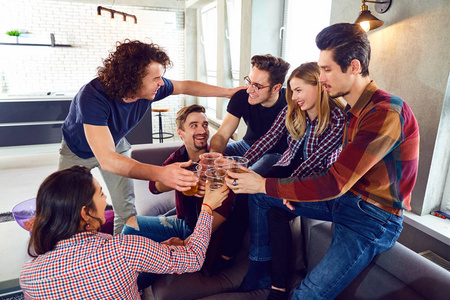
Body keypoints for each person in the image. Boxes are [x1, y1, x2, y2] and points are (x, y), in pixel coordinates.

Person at [226, 23, 419, 299]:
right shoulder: (355, 110)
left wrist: (265, 184)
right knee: (263, 199)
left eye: (326, 70)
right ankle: (260, 271)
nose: (322, 77)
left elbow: (335, 180)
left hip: (372, 218)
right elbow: (331, 175)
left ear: (353, 67)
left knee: (307, 294)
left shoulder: (385, 112)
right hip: (345, 200)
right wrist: (290, 190)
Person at [59, 39, 243, 235]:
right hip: (76, 151)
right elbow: (107, 160)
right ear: (131, 78)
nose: (161, 83)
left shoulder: (152, 89)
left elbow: (187, 86)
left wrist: (228, 92)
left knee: (126, 211)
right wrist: (161, 173)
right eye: (156, 78)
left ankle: (120, 254)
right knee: (64, 209)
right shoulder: (92, 97)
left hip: (115, 144)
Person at [214, 62, 346, 279]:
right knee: (247, 185)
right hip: (289, 166)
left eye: (298, 90)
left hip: (317, 178)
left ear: (319, 87)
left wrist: (286, 188)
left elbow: (314, 162)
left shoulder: (338, 119)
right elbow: (267, 140)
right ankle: (237, 253)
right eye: (292, 90)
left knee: (258, 193)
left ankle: (255, 263)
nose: (293, 97)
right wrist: (240, 164)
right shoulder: (292, 109)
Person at [20, 166, 229, 299]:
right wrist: (208, 207)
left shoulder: (28, 276)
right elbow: (193, 258)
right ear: (86, 213)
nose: (105, 200)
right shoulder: (124, 249)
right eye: (101, 194)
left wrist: (159, 249)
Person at [122, 104, 234, 287]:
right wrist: (176, 180)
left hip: (204, 236)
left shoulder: (217, 162)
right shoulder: (177, 158)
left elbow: (223, 214)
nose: (202, 130)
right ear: (180, 133)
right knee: (131, 226)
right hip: (183, 222)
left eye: (205, 125)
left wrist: (185, 243)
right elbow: (154, 187)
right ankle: (123, 279)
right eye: (194, 125)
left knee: (150, 258)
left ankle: (134, 288)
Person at [209, 54, 290, 175]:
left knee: (244, 176)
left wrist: (238, 165)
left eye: (257, 86)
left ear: (275, 88)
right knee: (204, 157)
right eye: (249, 81)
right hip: (245, 146)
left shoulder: (290, 103)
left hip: (275, 154)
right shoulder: (241, 97)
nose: (249, 90)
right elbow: (222, 134)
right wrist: (215, 155)